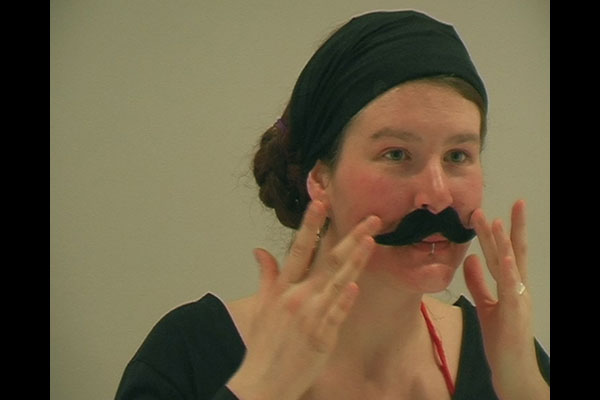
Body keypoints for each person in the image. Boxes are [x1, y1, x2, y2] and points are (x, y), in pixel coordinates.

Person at [114, 10, 549, 400]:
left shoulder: (507, 360)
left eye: (457, 156)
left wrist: (524, 388)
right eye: (397, 154)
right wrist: (260, 391)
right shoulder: (188, 357)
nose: (436, 197)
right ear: (321, 180)